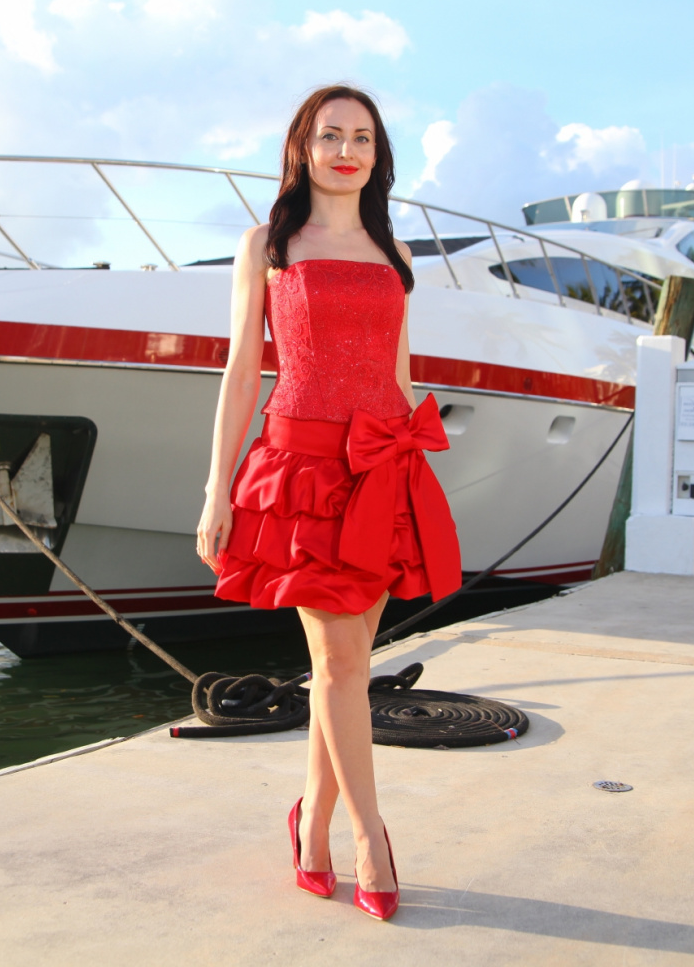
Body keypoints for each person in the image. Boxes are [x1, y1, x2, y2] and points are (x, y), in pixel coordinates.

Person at [196, 84, 462, 922]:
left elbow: (400, 373)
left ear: (378, 156)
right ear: (301, 147)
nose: (347, 151)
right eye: (330, 136)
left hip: (383, 466)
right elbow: (243, 372)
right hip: (302, 468)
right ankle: (369, 836)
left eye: (363, 139)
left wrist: (414, 469)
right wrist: (218, 489)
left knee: (335, 668)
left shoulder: (397, 255)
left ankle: (309, 824)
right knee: (343, 665)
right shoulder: (267, 245)